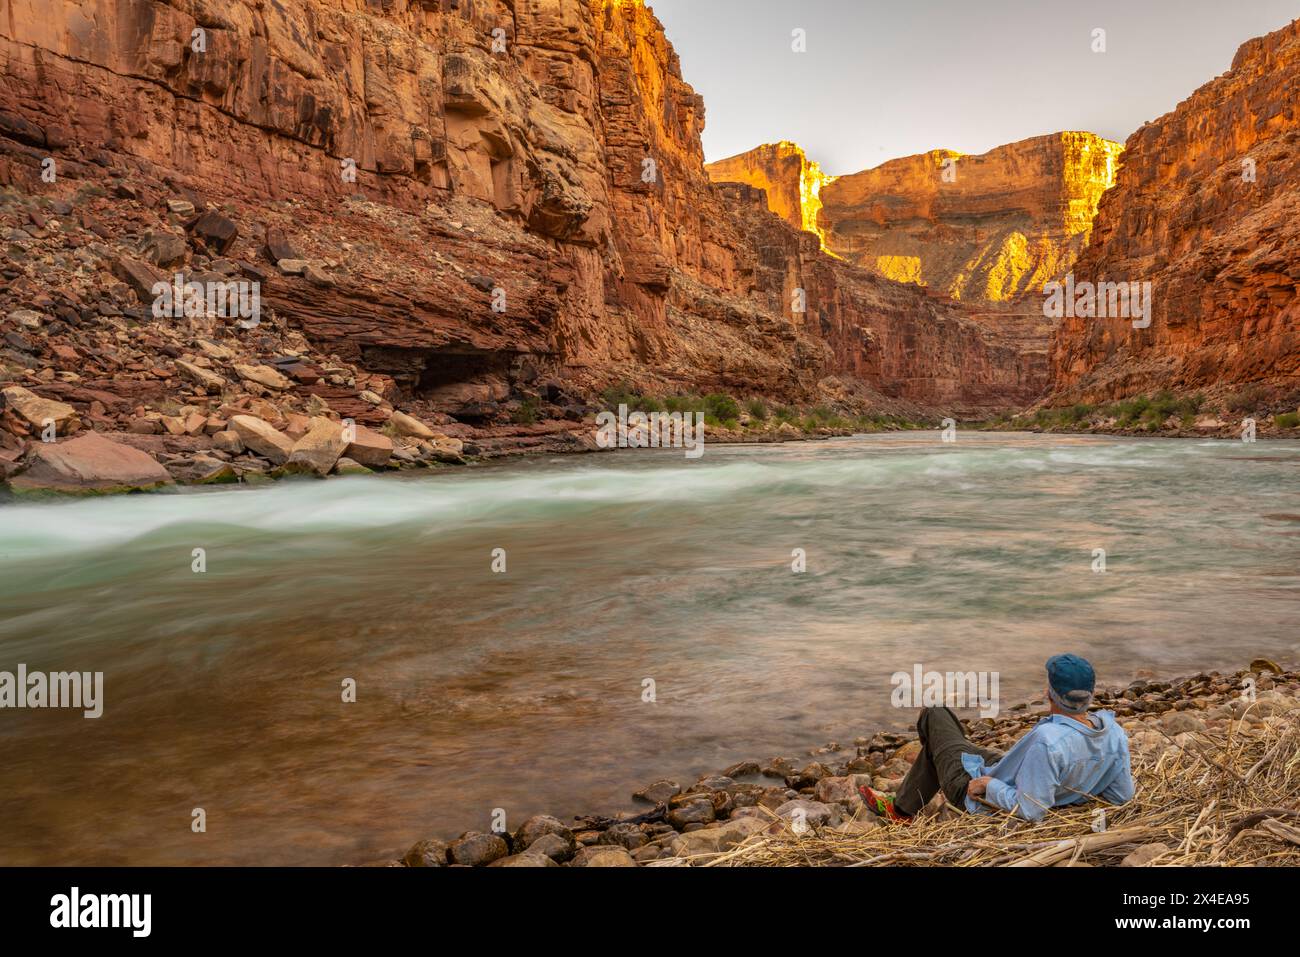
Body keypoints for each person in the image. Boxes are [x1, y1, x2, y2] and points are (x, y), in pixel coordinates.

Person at [860, 654, 1134, 823]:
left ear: (1049, 694)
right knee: (956, 745)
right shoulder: (1113, 731)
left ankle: (901, 811)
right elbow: (1122, 794)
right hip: (1022, 771)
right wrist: (1073, 793)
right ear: (1090, 693)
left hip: (978, 798)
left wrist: (989, 785)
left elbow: (1032, 810)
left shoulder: (1047, 741)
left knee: (935, 713)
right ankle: (908, 800)